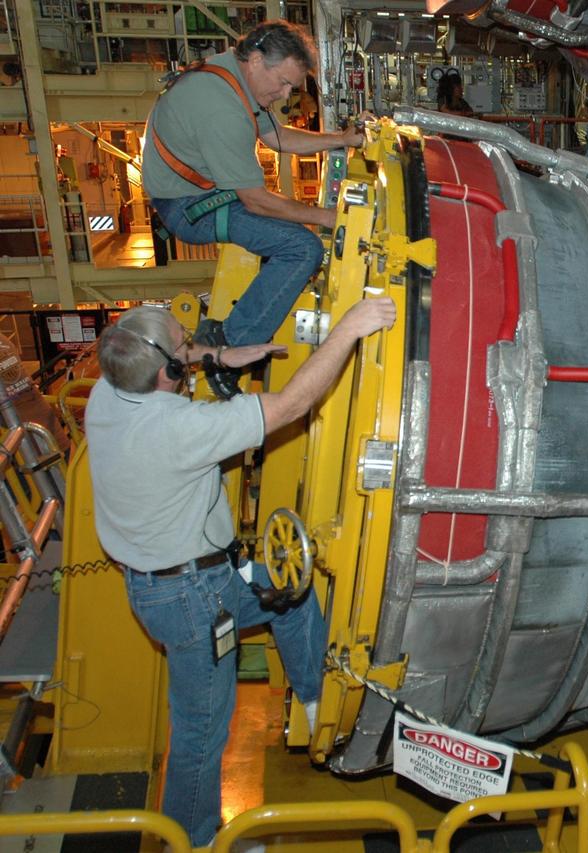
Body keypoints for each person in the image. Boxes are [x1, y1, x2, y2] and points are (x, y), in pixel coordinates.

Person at [85, 297, 397, 847]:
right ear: (169, 372)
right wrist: (350, 327)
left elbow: (168, 360)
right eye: (184, 346)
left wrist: (221, 358)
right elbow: (295, 404)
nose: (191, 347)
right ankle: (196, 839)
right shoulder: (180, 427)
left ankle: (318, 703)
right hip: (195, 601)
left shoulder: (106, 396)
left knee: (290, 591)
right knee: (201, 732)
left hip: (170, 584)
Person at [141, 19, 364, 399]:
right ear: (258, 59)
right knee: (302, 248)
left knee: (298, 232)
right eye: (283, 83)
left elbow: (279, 137)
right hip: (190, 208)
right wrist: (329, 217)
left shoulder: (234, 76)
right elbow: (255, 200)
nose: (284, 93)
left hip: (199, 192)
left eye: (291, 86)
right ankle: (227, 348)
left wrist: (341, 139)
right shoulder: (222, 108)